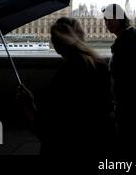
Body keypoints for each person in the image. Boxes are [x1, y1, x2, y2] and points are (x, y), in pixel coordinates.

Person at [16, 17, 116, 155]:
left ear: (56, 46)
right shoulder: (100, 67)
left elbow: (48, 132)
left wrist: (29, 107)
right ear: (82, 36)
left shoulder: (63, 78)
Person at [102, 3, 136, 156]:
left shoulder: (126, 41)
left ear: (121, 18)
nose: (107, 23)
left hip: (129, 102)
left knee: (130, 142)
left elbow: (127, 74)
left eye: (111, 19)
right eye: (105, 20)